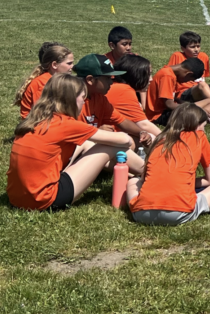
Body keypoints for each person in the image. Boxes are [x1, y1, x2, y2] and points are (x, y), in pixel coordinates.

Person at [7, 74, 142, 211]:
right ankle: (148, 172)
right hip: (45, 199)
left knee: (87, 142)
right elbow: (125, 140)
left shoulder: (35, 120)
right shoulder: (65, 124)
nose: (84, 103)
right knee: (108, 147)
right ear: (70, 100)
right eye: (82, 98)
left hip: (16, 197)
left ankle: (132, 174)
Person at [127, 104, 210, 226]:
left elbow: (144, 179)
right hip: (179, 212)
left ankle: (131, 204)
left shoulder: (159, 139)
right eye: (204, 126)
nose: (204, 130)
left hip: (141, 214)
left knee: (133, 181)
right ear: (197, 125)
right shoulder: (199, 137)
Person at [144, 58, 210, 126]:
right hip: (159, 116)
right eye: (189, 79)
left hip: (167, 111)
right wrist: (191, 108)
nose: (186, 82)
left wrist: (183, 103)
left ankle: (200, 117)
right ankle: (200, 117)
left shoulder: (169, 72)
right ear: (188, 73)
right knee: (198, 109)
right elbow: (169, 104)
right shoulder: (167, 76)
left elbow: (169, 98)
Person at [109, 55, 162, 141]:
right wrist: (169, 141)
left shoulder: (117, 86)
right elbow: (143, 124)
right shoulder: (123, 90)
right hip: (106, 137)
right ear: (135, 75)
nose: (151, 79)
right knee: (151, 138)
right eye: (148, 74)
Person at [16, 42, 74, 118]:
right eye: (69, 63)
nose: (72, 66)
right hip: (36, 125)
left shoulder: (56, 80)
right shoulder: (42, 84)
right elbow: (42, 114)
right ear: (54, 65)